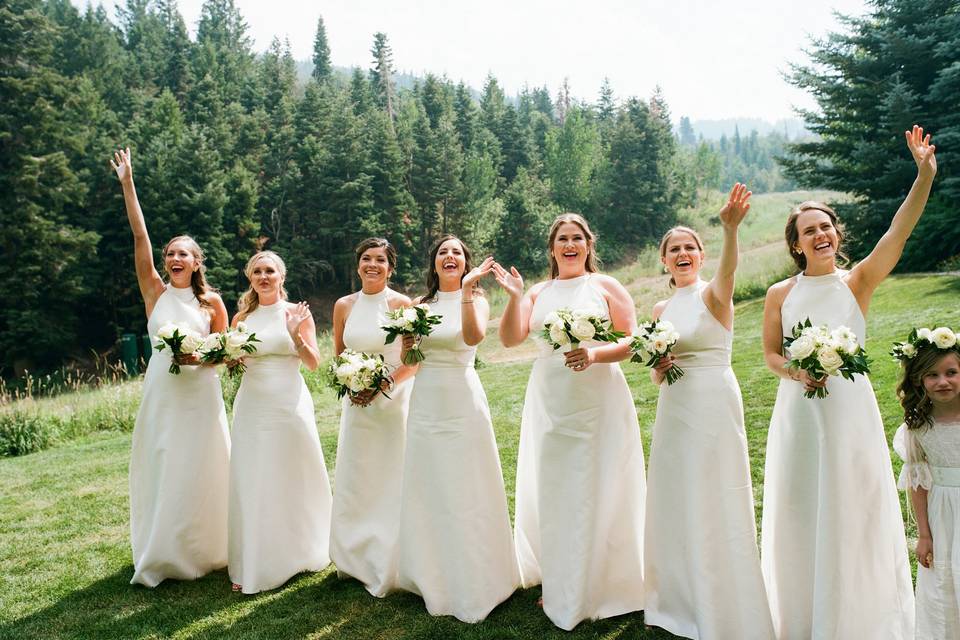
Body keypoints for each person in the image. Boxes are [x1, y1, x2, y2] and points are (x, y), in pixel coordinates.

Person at [760, 125, 936, 637]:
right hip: (798, 412)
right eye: (808, 230)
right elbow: (770, 355)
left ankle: (859, 613)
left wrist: (923, 174)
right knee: (801, 505)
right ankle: (803, 612)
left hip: (849, 412)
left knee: (853, 504)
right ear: (796, 244)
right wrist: (793, 370)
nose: (820, 235)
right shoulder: (778, 293)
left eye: (826, 226)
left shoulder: (857, 280)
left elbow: (898, 233)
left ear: (837, 234)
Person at [494, 214, 645, 631]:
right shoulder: (538, 291)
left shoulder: (606, 286)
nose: (570, 244)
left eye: (577, 237)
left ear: (589, 244)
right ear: (553, 247)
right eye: (563, 238)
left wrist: (595, 354)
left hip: (599, 397)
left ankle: (609, 580)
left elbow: (631, 340)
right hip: (551, 399)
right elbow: (510, 338)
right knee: (559, 490)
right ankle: (564, 580)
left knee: (602, 482)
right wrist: (513, 297)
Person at [642, 185, 774, 640]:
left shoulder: (714, 295)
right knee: (677, 493)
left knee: (716, 489)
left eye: (689, 247)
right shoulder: (660, 308)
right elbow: (658, 374)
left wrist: (730, 231)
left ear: (700, 256)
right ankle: (679, 595)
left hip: (713, 401)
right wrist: (658, 367)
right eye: (673, 248)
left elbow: (729, 273)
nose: (681, 253)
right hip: (673, 407)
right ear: (664, 261)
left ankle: (721, 594)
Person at [111, 147, 230, 587]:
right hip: (162, 392)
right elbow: (139, 237)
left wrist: (199, 356)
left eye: (184, 254)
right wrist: (128, 183)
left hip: (200, 394)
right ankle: (163, 549)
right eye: (170, 254)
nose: (175, 259)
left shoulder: (212, 302)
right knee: (165, 463)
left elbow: (226, 352)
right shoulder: (154, 293)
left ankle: (211, 547)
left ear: (197, 261)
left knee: (204, 464)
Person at [396, 235, 518, 622]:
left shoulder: (477, 299)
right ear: (434, 263)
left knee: (467, 483)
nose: (449, 257)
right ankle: (434, 575)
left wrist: (466, 290)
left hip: (462, 399)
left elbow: (473, 337)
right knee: (429, 482)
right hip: (426, 399)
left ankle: (480, 576)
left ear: (466, 264)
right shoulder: (419, 305)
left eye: (457, 253)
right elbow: (410, 357)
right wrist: (408, 340)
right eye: (442, 252)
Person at [227, 250, 332, 594]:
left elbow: (314, 362)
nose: (263, 276)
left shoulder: (297, 313)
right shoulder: (241, 317)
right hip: (252, 405)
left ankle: (301, 550)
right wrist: (230, 358)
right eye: (257, 271)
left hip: (289, 404)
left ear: (281, 276)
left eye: (270, 270)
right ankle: (257, 557)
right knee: (255, 475)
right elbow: (235, 361)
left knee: (293, 472)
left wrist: (295, 334)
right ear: (250, 278)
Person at [329, 238, 417, 597]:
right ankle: (356, 556)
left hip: (392, 402)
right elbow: (339, 356)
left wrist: (381, 383)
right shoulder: (343, 306)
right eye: (366, 258)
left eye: (380, 260)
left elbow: (413, 360)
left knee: (391, 474)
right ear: (357, 264)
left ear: (390, 267)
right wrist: (351, 382)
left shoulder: (401, 304)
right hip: (356, 404)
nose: (372, 265)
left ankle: (393, 555)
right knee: (359, 474)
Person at [893, 328, 960, 640]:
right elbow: (918, 483)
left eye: (951, 372)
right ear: (918, 379)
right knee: (945, 582)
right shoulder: (917, 430)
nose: (943, 381)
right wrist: (924, 534)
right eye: (932, 374)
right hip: (942, 515)